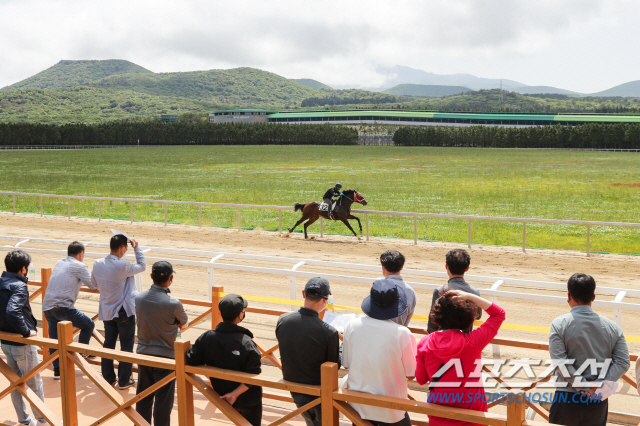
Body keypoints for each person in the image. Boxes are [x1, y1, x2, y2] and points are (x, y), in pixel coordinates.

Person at [548, 273, 630, 426]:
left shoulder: (559, 324)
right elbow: (623, 362)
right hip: (597, 401)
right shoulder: (613, 328)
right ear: (593, 297)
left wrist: (584, 385)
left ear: (569, 295)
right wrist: (597, 385)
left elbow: (560, 363)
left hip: (566, 399)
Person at [416, 290, 505, 426]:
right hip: (473, 415)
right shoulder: (472, 342)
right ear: (467, 316)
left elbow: (421, 380)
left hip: (439, 413)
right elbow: (498, 314)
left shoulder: (425, 342)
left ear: (437, 316)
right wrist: (470, 296)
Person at [342, 279, 417, 426]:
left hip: (358, 406)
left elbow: (346, 364)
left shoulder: (352, 325)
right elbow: (411, 374)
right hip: (391, 410)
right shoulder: (403, 334)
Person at [186, 294, 262, 426]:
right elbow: (254, 374)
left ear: (220, 312)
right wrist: (235, 393)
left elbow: (191, 360)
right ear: (240, 315)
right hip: (248, 399)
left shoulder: (207, 337)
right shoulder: (246, 342)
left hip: (221, 395)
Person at [276, 277, 341, 426]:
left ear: (303, 294)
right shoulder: (329, 331)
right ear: (326, 299)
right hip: (319, 392)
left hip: (293, 386)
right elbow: (334, 366)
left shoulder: (283, 320)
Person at [135, 261, 188, 426]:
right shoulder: (173, 303)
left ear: (151, 276)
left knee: (143, 396)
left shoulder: (139, 298)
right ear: (171, 278)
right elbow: (184, 323)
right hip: (166, 356)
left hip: (143, 353)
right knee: (163, 400)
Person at [91, 234, 145, 389]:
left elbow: (93, 283)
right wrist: (137, 248)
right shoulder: (123, 266)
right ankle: (123, 380)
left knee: (108, 344)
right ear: (123, 248)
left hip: (107, 310)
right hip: (124, 312)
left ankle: (108, 379)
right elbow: (142, 266)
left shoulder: (97, 263)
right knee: (126, 346)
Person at [0, 250, 46, 426]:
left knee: (16, 383)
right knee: (35, 385)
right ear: (23, 269)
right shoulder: (19, 286)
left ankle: (24, 420)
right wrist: (27, 331)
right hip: (22, 344)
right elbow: (13, 312)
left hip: (5, 342)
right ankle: (43, 421)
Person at [43, 241, 97, 380]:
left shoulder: (60, 262)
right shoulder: (79, 265)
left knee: (55, 341)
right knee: (89, 325)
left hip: (47, 307)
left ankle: (58, 371)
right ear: (81, 254)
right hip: (63, 307)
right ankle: (82, 352)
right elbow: (92, 285)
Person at [427, 249, 481, 333]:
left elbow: (433, 321)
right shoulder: (475, 291)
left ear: (446, 266)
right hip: (465, 340)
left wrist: (430, 333)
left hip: (443, 340)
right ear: (467, 268)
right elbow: (478, 316)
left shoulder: (440, 291)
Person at [376, 250, 415, 327]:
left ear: (383, 266)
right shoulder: (410, 291)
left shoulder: (377, 286)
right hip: (399, 335)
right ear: (401, 267)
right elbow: (406, 321)